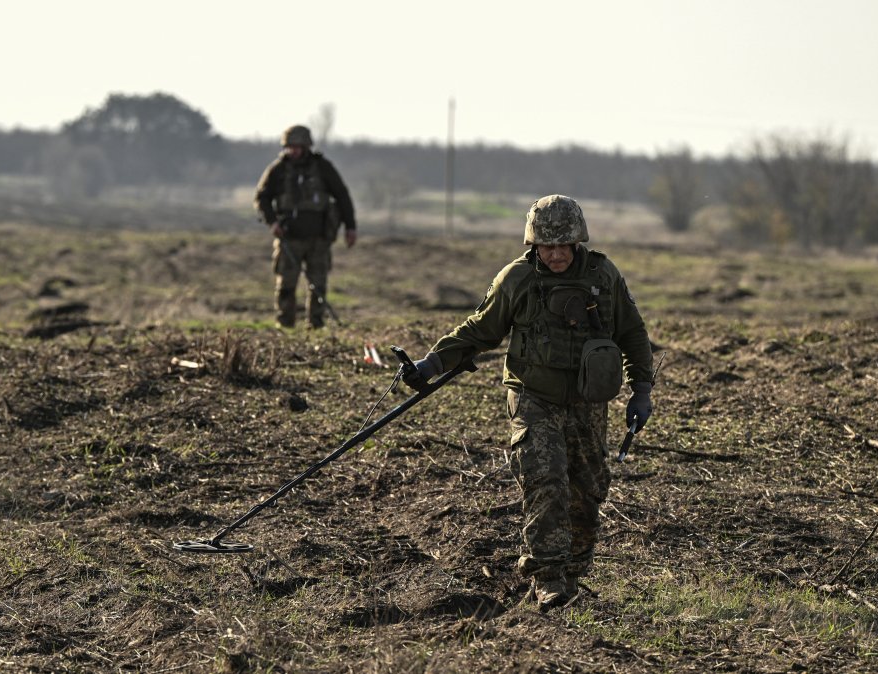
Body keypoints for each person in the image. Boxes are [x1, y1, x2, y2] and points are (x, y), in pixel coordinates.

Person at [401, 195, 654, 610]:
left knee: (588, 492)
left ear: (577, 242)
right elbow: (479, 330)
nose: (555, 254)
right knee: (546, 482)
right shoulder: (517, 279)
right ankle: (547, 577)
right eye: (546, 246)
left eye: (563, 246)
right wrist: (430, 364)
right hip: (534, 398)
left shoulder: (603, 276)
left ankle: (572, 574)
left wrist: (641, 390)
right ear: (533, 245)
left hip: (589, 402)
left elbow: (633, 333)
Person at [254, 124, 357, 329]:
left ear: (306, 146)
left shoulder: (322, 167)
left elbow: (342, 196)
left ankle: (316, 324)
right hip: (288, 237)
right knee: (286, 284)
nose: (293, 151)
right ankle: (285, 324)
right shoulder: (278, 170)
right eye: (290, 147)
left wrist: (350, 227)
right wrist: (272, 222)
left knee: (318, 284)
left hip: (319, 237)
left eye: (297, 147)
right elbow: (261, 197)